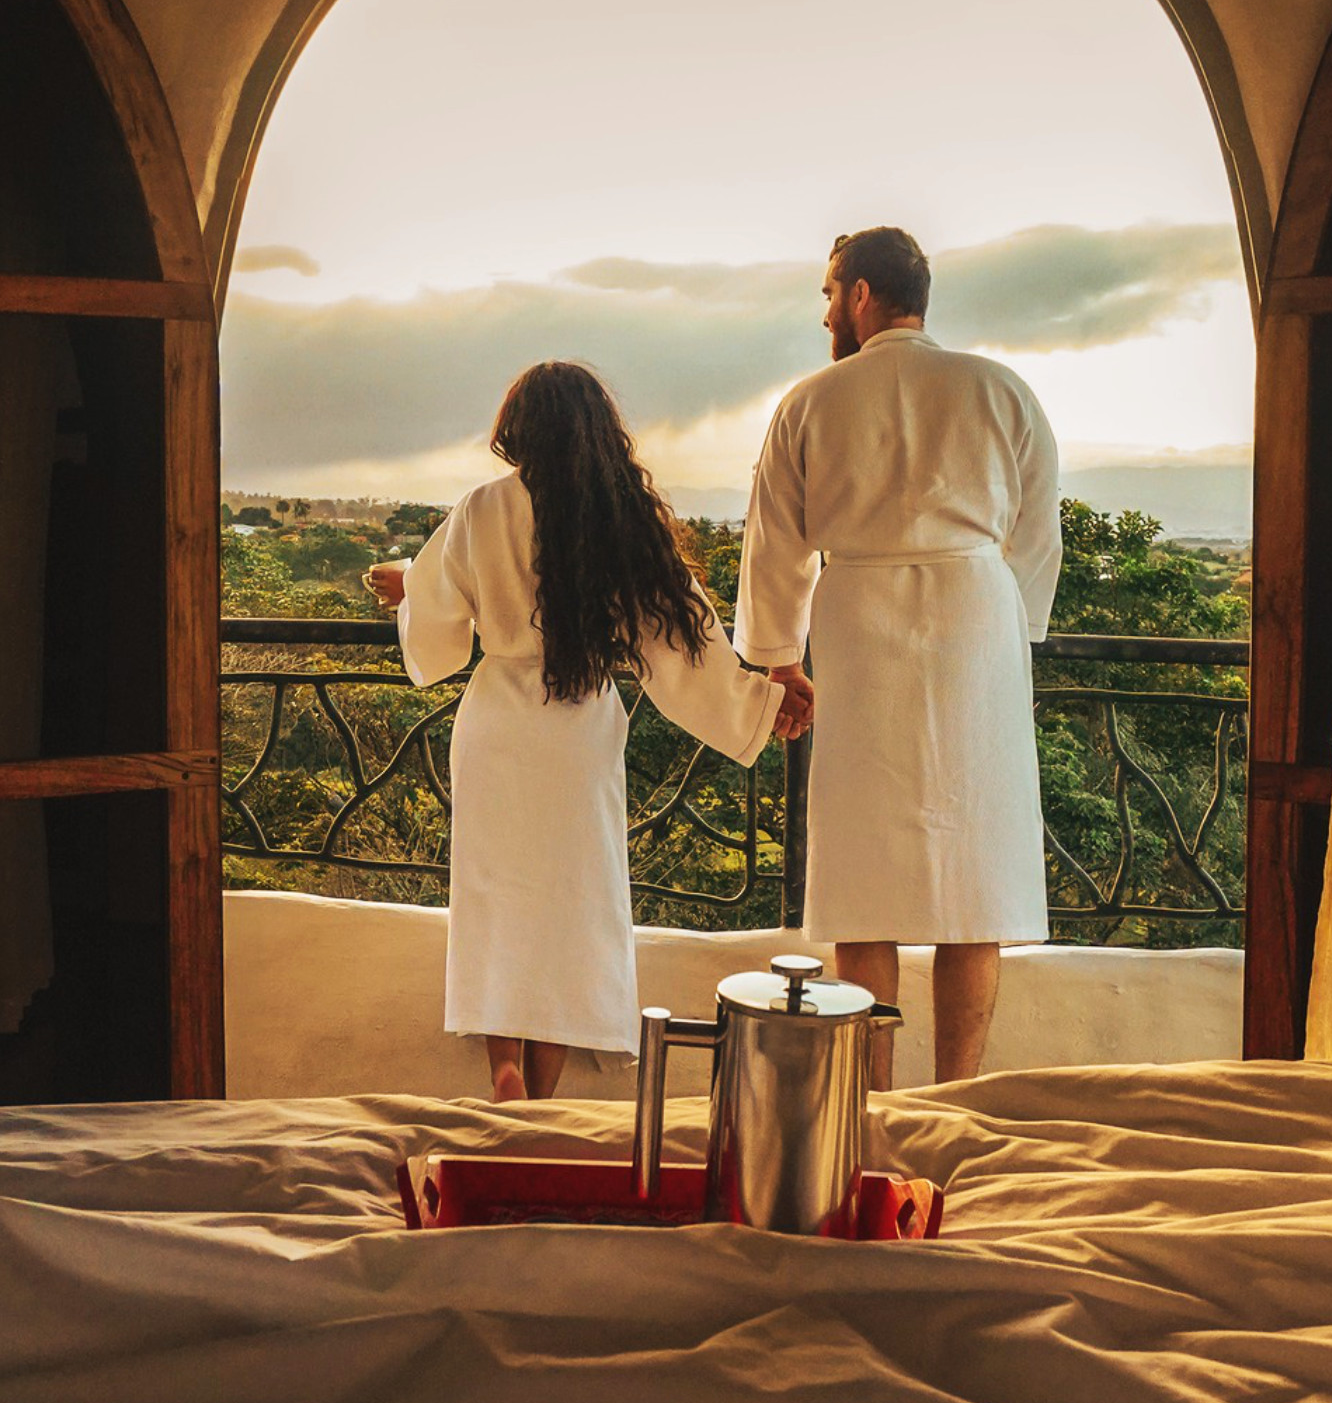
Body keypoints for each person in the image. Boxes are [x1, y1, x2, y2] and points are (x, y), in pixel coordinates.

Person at [365, 361, 812, 1104]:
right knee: (569, 906)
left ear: (519, 430)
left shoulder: (482, 508)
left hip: (498, 725)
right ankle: (537, 1094)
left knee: (494, 898)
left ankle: (500, 1067)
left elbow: (438, 612)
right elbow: (684, 643)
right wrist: (760, 704)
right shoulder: (621, 522)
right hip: (576, 735)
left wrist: (408, 584)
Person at [733, 226, 1061, 1089]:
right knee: (974, 885)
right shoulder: (1002, 391)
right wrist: (1007, 641)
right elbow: (1034, 536)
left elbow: (774, 543)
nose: (826, 313)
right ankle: (956, 1091)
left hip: (860, 632)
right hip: (975, 632)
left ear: (863, 295)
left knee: (863, 878)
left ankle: (871, 1096)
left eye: (830, 293)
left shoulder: (811, 401)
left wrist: (777, 660)